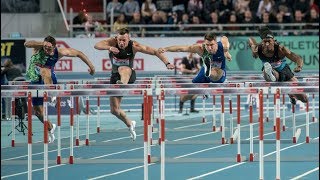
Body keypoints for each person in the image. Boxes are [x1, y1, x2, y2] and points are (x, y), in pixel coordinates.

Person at [94, 28, 175, 141]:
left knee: (123, 68)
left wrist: (167, 63)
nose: (121, 43)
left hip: (128, 74)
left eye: (124, 40)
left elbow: (155, 51)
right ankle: (130, 123)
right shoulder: (112, 42)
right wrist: (109, 47)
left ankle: (123, 84)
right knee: (114, 110)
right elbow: (97, 45)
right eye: (119, 40)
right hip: (114, 77)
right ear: (116, 38)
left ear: (129, 39)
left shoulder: (134, 46)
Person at [24, 35, 95, 143]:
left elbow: (79, 53)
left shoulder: (59, 52)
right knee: (38, 112)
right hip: (35, 79)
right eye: (45, 48)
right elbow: (26, 44)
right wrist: (41, 44)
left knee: (45, 71)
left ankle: (53, 94)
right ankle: (50, 127)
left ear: (54, 47)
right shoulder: (39, 47)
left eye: (49, 48)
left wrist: (92, 67)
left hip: (49, 77)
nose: (47, 50)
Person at [158, 32, 232, 111]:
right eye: (207, 45)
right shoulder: (200, 48)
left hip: (218, 72)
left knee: (217, 74)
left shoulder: (222, 46)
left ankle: (209, 72)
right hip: (204, 71)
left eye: (212, 45)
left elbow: (224, 38)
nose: (209, 48)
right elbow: (181, 48)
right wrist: (166, 49)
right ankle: (183, 101)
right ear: (204, 43)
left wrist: (226, 51)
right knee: (191, 92)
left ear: (216, 43)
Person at [247, 26, 308, 104]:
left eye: (269, 41)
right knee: (268, 73)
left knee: (304, 99)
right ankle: (270, 73)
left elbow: (297, 58)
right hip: (272, 72)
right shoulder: (258, 48)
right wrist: (252, 48)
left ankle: (291, 94)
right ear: (262, 42)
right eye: (265, 41)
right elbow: (250, 40)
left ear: (274, 41)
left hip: (284, 71)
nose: (267, 44)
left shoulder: (280, 49)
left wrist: (299, 66)